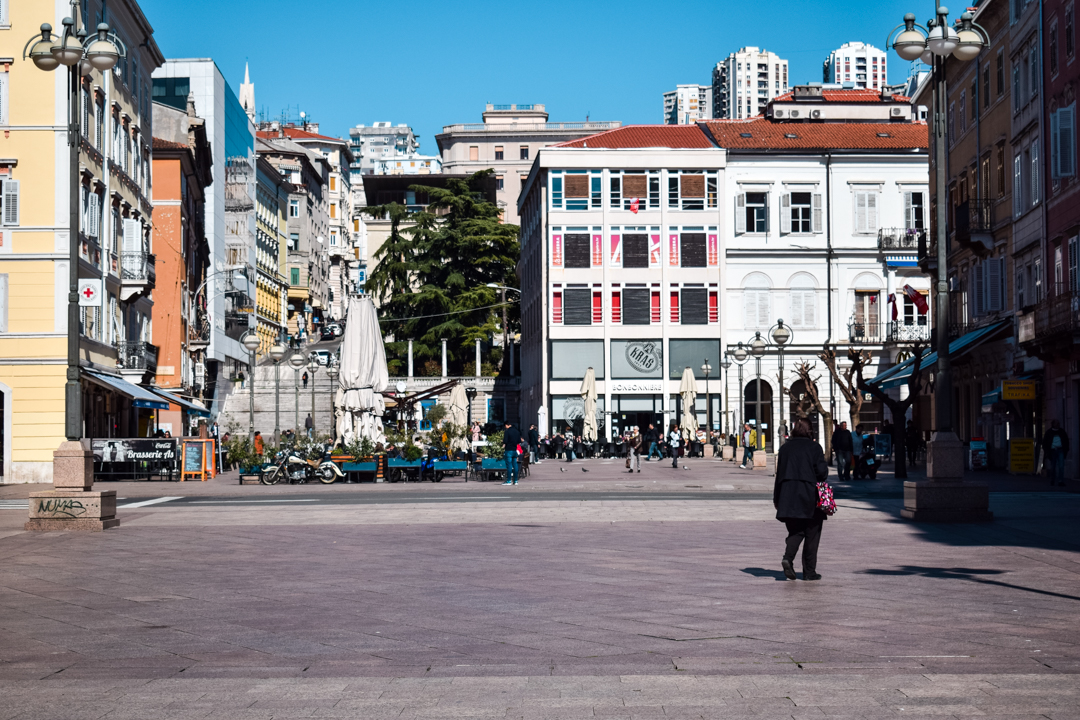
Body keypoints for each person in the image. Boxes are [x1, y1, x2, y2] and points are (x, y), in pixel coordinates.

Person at [773, 417, 829, 581]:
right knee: (812, 533)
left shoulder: (785, 448)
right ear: (810, 430)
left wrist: (777, 498)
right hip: (810, 495)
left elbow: (779, 475)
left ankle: (788, 558)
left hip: (787, 495)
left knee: (796, 531)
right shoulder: (814, 447)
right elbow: (822, 473)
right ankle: (809, 572)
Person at [1042, 420, 1070, 487]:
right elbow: (1045, 442)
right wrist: (1047, 451)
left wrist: (1066, 449)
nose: (1058, 425)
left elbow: (1066, 440)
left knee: (1061, 466)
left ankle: (1060, 481)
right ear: (1053, 424)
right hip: (1053, 450)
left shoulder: (1062, 432)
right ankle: (1053, 480)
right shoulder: (1049, 432)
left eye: (1058, 424)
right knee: (1053, 466)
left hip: (1060, 450)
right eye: (1057, 424)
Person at [502, 421, 522, 486]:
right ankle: (515, 480)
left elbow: (505, 441)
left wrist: (503, 442)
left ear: (507, 425)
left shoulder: (507, 431)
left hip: (508, 450)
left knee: (509, 466)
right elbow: (519, 441)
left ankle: (509, 480)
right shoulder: (517, 431)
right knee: (515, 465)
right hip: (514, 450)